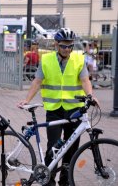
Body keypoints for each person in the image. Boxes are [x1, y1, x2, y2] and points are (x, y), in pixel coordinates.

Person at [17, 28, 96, 186]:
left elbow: (85, 80)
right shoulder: (46, 60)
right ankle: (49, 181)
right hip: (54, 109)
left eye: (70, 46)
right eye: (63, 46)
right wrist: (26, 99)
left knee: (71, 148)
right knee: (53, 147)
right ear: (56, 45)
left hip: (74, 109)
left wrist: (90, 96)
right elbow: (37, 82)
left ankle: (65, 181)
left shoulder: (79, 59)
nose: (67, 49)